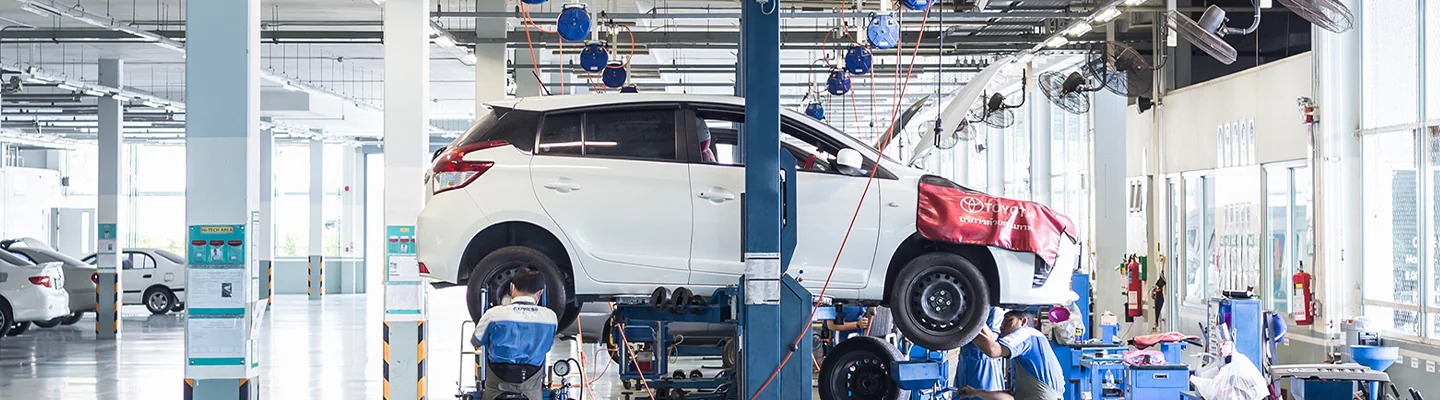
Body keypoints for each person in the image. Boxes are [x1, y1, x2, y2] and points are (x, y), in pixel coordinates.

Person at [471, 268, 558, 400]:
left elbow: (475, 342)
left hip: (497, 389)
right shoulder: (550, 318)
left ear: (511, 287)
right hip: (531, 390)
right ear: (540, 292)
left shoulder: (494, 315)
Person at [967, 310, 1066, 400]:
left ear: (1023, 322)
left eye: (1008, 321)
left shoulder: (1027, 333)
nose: (1002, 326)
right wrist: (976, 392)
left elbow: (993, 350)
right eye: (1002, 322)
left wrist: (967, 326)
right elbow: (1010, 397)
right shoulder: (1023, 352)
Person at [956, 307, 1006, 400]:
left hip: (984, 365)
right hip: (964, 362)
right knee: (961, 395)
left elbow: (991, 339)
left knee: (982, 396)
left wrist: (975, 313)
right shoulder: (964, 305)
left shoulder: (994, 309)